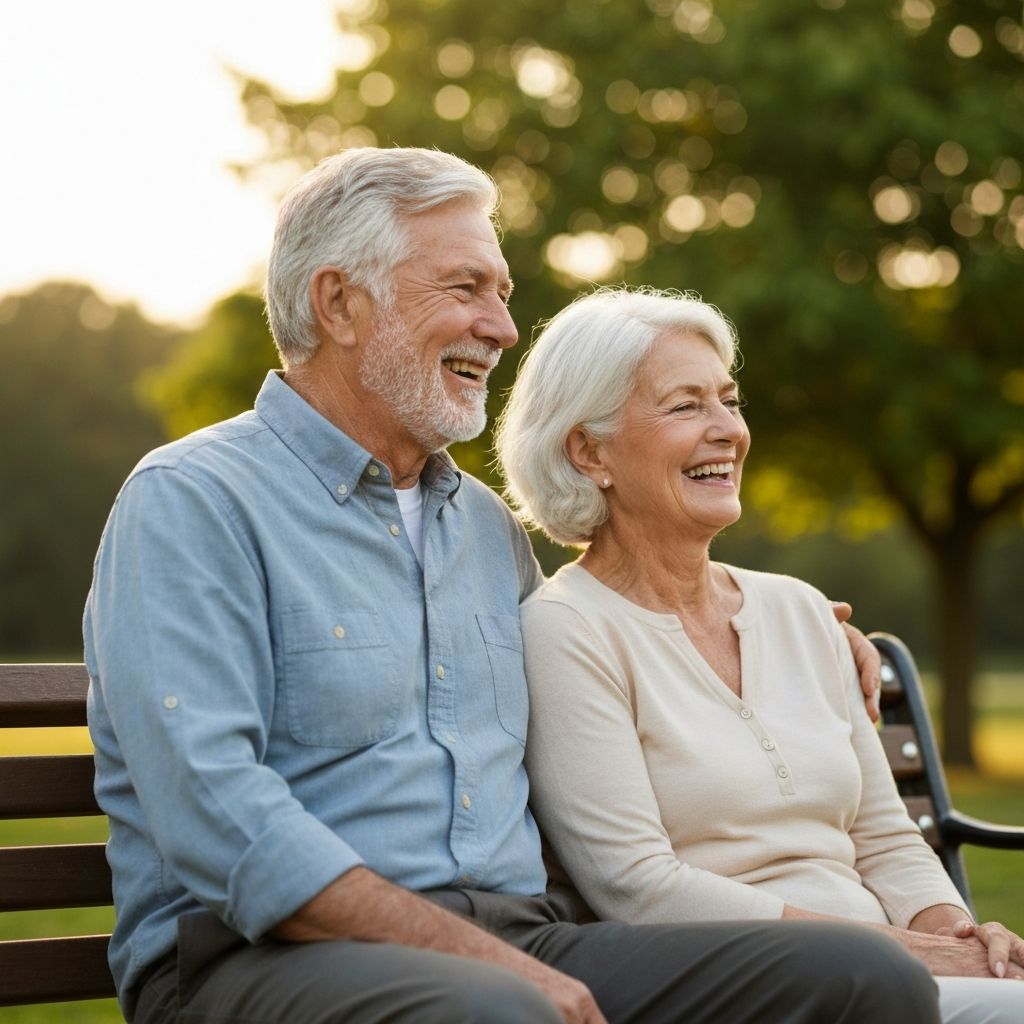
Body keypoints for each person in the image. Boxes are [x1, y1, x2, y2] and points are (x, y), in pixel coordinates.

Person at [85, 148, 943, 1024]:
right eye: (464, 290)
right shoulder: (193, 502)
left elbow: (610, 630)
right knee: (499, 1013)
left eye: (501, 294)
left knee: (862, 975)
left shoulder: (485, 530)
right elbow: (217, 815)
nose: (500, 328)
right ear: (339, 303)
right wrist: (480, 961)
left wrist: (794, 631)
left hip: (524, 939)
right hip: (263, 959)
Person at [494, 286, 1024, 1024]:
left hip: (896, 975)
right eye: (685, 406)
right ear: (589, 451)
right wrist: (897, 952)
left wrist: (960, 935)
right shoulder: (567, 631)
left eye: (730, 402)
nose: (727, 432)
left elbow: (883, 836)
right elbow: (637, 885)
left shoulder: (801, 609)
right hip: (756, 987)